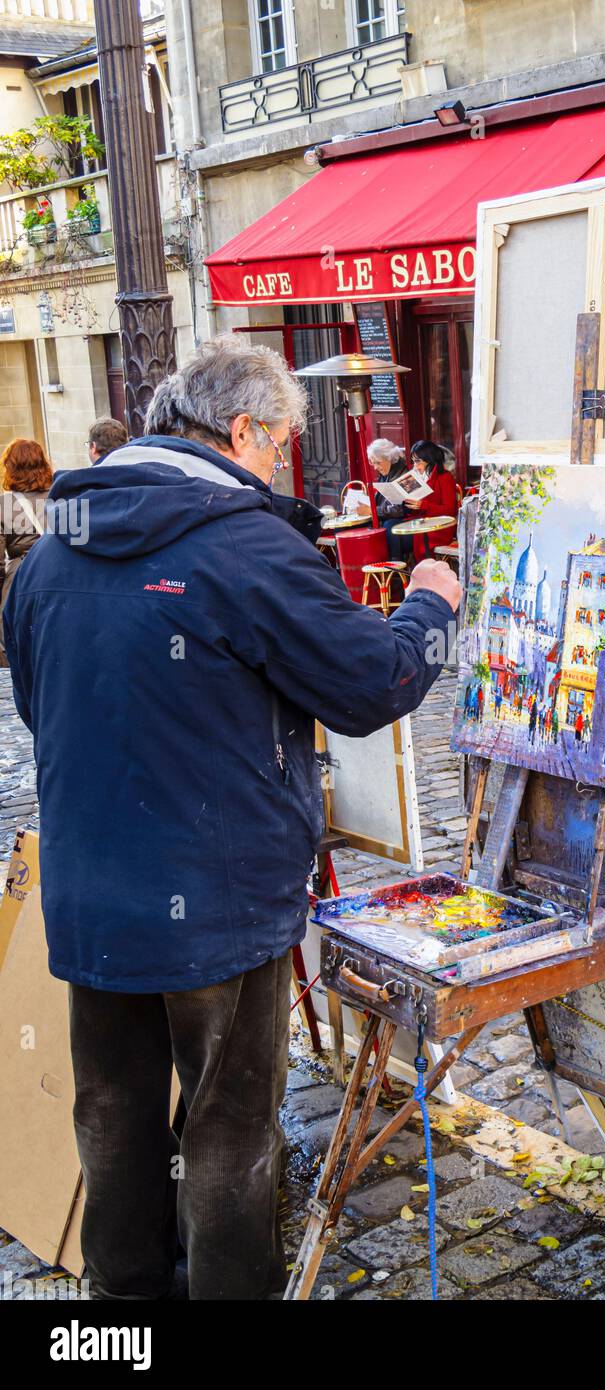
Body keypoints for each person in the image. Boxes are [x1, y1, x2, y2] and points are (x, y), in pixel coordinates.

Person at [3, 335, 461, 1301]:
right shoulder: (244, 544)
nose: (279, 469)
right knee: (227, 1127)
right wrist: (427, 606)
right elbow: (369, 681)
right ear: (242, 430)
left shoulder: (48, 554)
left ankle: (123, 1303)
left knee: (116, 1109)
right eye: (279, 447)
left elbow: (49, 713)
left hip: (90, 893)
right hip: (215, 897)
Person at [0, 438, 53, 666]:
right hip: (58, 570)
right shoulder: (61, 497)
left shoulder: (3, 505)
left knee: (15, 645)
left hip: (20, 577)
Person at [404, 439, 458, 561]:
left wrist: (423, 505)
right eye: (413, 462)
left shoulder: (445, 478)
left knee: (402, 538)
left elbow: (449, 510)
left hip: (440, 527)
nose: (415, 466)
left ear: (430, 459)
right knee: (391, 533)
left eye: (418, 461)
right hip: (422, 523)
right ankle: (406, 572)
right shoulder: (418, 477)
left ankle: (420, 572)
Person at [364, 438, 410, 561]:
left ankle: (394, 565)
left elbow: (398, 510)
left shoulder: (404, 474)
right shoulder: (385, 474)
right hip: (387, 517)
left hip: (406, 519)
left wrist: (372, 510)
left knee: (389, 527)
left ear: (389, 458)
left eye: (378, 463)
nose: (375, 467)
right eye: (373, 463)